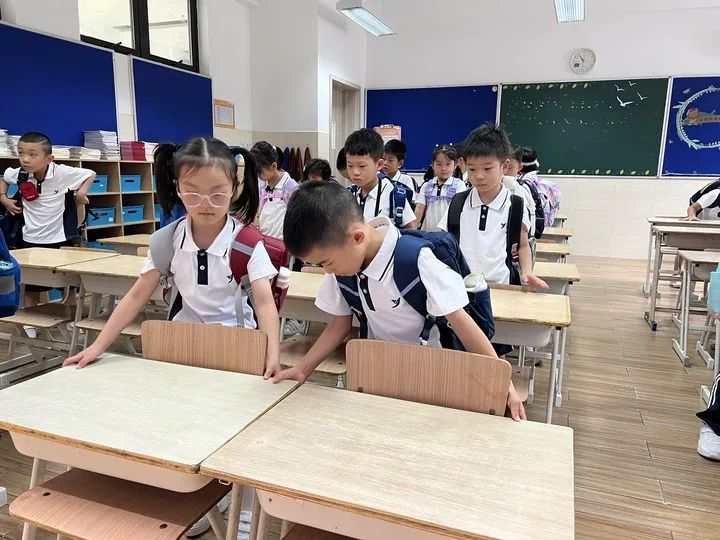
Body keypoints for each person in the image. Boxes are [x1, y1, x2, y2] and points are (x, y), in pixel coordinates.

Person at [270, 181, 525, 421]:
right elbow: (339, 325)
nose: (327, 271)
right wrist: (303, 369)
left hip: (432, 378)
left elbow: (465, 328)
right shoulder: (344, 265)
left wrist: (505, 385)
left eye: (327, 263)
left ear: (357, 237)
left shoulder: (416, 261)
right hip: (377, 374)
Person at [64, 137, 280, 375]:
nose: (205, 204)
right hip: (182, 341)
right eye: (193, 194)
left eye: (218, 194)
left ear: (234, 187)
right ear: (178, 188)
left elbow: (264, 303)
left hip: (236, 343)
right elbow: (136, 296)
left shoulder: (247, 243)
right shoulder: (167, 240)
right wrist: (97, 347)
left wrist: (272, 356)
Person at [0, 131, 95, 337]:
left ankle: (72, 319)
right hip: (30, 239)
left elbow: (90, 173)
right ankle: (30, 323)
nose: (25, 159)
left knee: (68, 286)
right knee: (31, 285)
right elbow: (4, 177)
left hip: (60, 238)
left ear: (49, 158)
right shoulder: (19, 173)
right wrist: (3, 198)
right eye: (21, 153)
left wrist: (81, 193)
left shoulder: (62, 172)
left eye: (32, 154)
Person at [439, 124, 547, 289]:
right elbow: (445, 242)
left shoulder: (515, 205)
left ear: (504, 166)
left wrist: (527, 272)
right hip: (462, 286)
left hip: (501, 286)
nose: (479, 176)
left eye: (487, 168)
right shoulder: (458, 202)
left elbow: (523, 245)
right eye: (472, 169)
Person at [344, 128, 416, 228]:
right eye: (350, 165)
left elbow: (410, 231)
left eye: (362, 166)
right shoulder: (347, 195)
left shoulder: (394, 195)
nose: (355, 172)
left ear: (379, 164)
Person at [414, 145, 467, 232]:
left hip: (449, 235)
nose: (443, 168)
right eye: (439, 164)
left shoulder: (459, 185)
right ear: (433, 165)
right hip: (426, 233)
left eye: (448, 164)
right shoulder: (426, 185)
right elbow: (419, 209)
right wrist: (413, 230)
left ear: (455, 165)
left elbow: (458, 211)